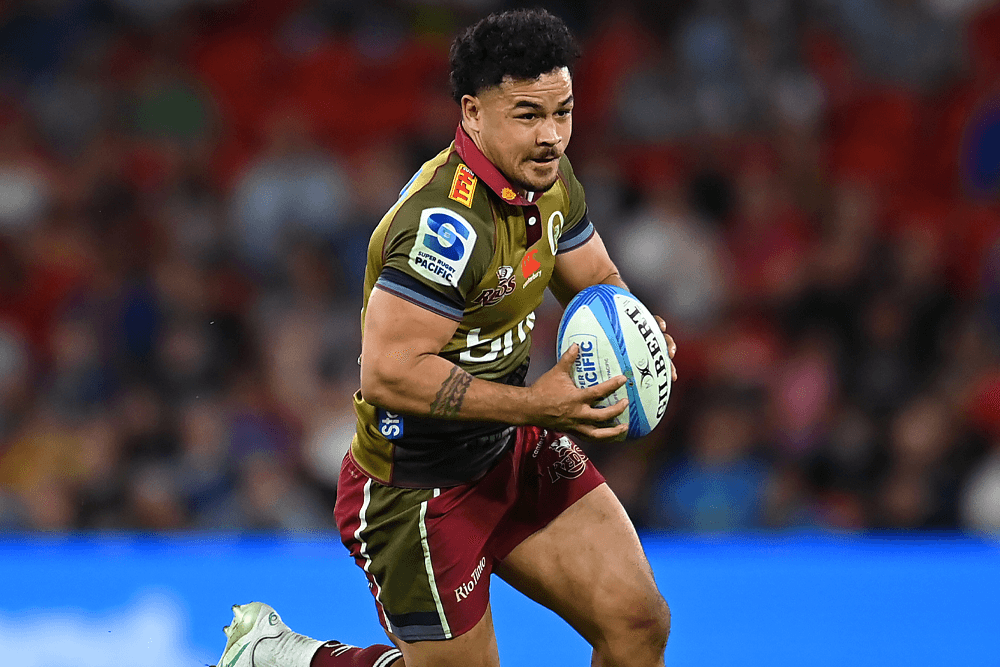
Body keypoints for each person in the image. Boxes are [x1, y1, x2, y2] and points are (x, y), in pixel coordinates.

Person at [215, 9, 677, 667]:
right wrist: (537, 406)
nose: (551, 136)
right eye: (527, 115)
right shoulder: (442, 226)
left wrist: (635, 332)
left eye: (564, 112)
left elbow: (594, 275)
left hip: (508, 446)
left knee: (638, 622)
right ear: (472, 112)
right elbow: (391, 374)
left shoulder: (548, 175)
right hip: (416, 487)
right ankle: (284, 657)